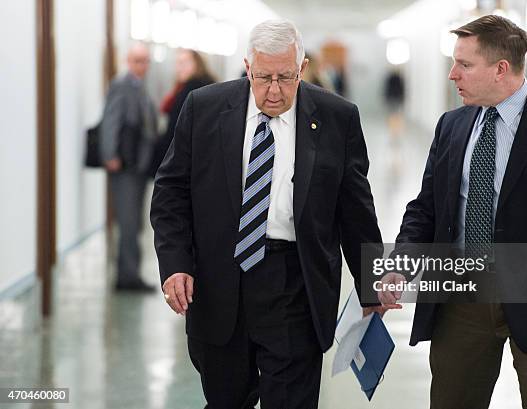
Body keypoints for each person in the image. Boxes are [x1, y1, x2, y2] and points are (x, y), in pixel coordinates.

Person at [150, 19, 395, 408]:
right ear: (248, 67)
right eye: (264, 77)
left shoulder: (337, 117)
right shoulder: (205, 108)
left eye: (286, 77)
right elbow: (171, 192)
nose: (275, 90)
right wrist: (176, 264)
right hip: (219, 281)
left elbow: (355, 209)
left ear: (302, 68)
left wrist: (371, 281)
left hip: (294, 283)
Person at [378, 15, 527, 409]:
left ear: (501, 69)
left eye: (465, 65)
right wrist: (399, 264)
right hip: (461, 294)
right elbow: (425, 209)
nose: (453, 74)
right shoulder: (451, 125)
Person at [100, 43, 158, 292]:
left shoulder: (140, 87)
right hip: (124, 166)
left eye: (145, 61)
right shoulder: (122, 85)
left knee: (135, 222)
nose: (141, 65)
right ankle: (127, 277)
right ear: (128, 61)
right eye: (136, 60)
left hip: (138, 166)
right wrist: (110, 153)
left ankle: (130, 273)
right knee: (128, 222)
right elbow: (110, 120)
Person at [151, 49, 217, 176]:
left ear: (197, 64)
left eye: (184, 63)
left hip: (188, 159)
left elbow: (177, 129)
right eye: (177, 63)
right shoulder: (187, 87)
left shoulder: (193, 89)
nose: (179, 68)